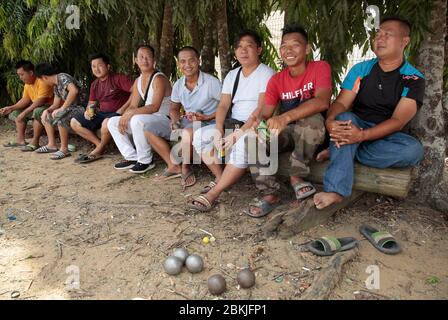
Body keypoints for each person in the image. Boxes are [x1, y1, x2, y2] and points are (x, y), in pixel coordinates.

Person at [314, 17, 425, 210]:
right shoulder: (361, 69)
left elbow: (398, 121)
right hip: (356, 124)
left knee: (413, 150)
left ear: (404, 41)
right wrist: (330, 121)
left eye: (387, 35)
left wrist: (362, 136)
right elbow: (341, 102)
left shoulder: (413, 78)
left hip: (386, 136)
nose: (379, 39)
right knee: (344, 119)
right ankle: (336, 190)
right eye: (378, 34)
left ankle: (340, 150)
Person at [188, 30, 275, 211]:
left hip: (256, 125)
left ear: (259, 49)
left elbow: (261, 110)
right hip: (233, 123)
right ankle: (221, 178)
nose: (243, 51)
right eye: (239, 47)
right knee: (200, 137)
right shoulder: (232, 75)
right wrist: (219, 128)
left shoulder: (267, 73)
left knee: (245, 142)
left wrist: (237, 135)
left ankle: (214, 193)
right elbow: (223, 106)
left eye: (248, 46)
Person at [144, 46, 221, 188]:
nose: (187, 65)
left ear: (198, 61)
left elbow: (225, 107)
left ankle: (186, 168)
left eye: (191, 61)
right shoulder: (179, 84)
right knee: (148, 128)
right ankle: (173, 166)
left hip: (209, 122)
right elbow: (174, 108)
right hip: (187, 121)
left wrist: (206, 117)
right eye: (183, 61)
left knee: (188, 132)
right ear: (179, 64)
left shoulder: (211, 82)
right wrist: (174, 121)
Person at [107, 44, 172, 174]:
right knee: (113, 122)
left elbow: (155, 107)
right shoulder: (138, 80)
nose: (145, 60)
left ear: (154, 60)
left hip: (166, 121)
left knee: (137, 119)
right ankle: (132, 157)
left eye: (148, 57)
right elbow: (132, 106)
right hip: (146, 119)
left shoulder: (159, 78)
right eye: (141, 57)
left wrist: (130, 114)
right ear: (136, 60)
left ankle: (146, 161)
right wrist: (125, 116)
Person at [70, 53, 133, 164]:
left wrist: (123, 108)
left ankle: (99, 149)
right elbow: (92, 103)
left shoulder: (118, 78)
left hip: (118, 114)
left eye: (99, 65)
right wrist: (88, 112)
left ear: (108, 66)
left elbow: (136, 92)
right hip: (102, 113)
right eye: (93, 66)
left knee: (106, 123)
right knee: (74, 122)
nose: (96, 69)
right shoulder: (95, 84)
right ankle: (99, 145)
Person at [34, 63, 85, 160]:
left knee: (61, 116)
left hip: (82, 108)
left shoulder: (62, 77)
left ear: (44, 77)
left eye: (40, 80)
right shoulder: (56, 86)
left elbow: (74, 91)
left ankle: (64, 149)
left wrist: (62, 109)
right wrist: (47, 110)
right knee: (47, 115)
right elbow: (56, 104)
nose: (42, 82)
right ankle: (51, 145)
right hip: (71, 109)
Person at [0, 60, 53, 151]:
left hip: (49, 107)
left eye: (22, 74)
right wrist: (11, 108)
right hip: (37, 107)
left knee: (37, 111)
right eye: (19, 75)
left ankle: (35, 142)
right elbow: (25, 99)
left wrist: (25, 113)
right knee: (16, 113)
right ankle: (20, 140)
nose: (20, 77)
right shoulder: (28, 84)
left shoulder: (42, 80)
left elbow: (40, 101)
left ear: (31, 72)